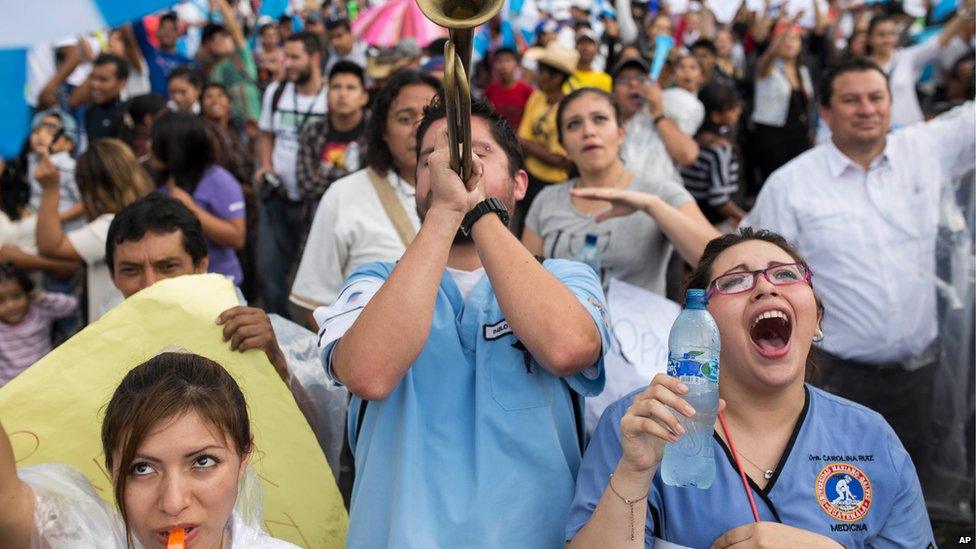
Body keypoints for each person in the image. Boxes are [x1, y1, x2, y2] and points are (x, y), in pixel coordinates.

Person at [317, 98, 609, 546]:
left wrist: (476, 209)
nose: (457, 163)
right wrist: (445, 211)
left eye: (479, 152)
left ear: (519, 183)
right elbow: (368, 373)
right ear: (418, 184)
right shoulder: (372, 283)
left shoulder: (566, 277)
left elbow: (568, 347)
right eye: (432, 159)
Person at [565, 228, 936, 548]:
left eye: (786, 275)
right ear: (701, 327)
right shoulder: (642, 425)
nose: (764, 287)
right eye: (734, 282)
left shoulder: (870, 438)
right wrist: (634, 473)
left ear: (817, 320)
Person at [742, 59, 975, 481]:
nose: (866, 109)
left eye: (876, 98)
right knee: (843, 490)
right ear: (826, 113)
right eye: (851, 100)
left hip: (919, 375)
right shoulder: (791, 185)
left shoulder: (924, 150)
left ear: (891, 103)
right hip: (835, 378)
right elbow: (752, 270)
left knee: (911, 481)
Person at [0, 352, 299, 548]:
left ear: (243, 456)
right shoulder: (92, 540)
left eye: (203, 461)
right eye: (141, 468)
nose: (172, 503)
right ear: (112, 470)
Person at [522, 88, 718, 295]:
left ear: (621, 133)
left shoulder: (659, 192)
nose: (588, 131)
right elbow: (525, 280)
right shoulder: (546, 200)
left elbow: (723, 261)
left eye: (599, 119)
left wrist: (652, 207)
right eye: (574, 124)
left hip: (635, 326)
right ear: (564, 146)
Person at [291, 71, 440, 326]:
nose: (419, 130)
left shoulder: (474, 196)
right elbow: (316, 305)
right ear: (383, 130)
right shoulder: (343, 195)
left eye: (432, 117)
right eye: (405, 119)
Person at [35, 138, 153, 322]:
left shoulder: (112, 225)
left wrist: (50, 190)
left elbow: (49, 246)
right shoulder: (145, 214)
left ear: (92, 189)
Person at [256, 30, 328, 317]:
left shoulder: (330, 95)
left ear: (315, 58)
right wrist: (266, 166)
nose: (288, 64)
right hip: (276, 197)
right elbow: (266, 134)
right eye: (286, 57)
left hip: (315, 202)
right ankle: (276, 326)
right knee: (269, 267)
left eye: (295, 57)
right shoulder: (276, 93)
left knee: (312, 272)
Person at [150, 112, 246, 286]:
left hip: (218, 283)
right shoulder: (164, 178)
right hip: (176, 283)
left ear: (174, 148)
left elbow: (237, 237)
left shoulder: (219, 180)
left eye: (155, 142)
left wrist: (191, 208)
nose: (149, 147)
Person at [865, 3, 974, 127]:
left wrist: (966, 12)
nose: (887, 39)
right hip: (879, 133)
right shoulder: (861, 68)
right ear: (869, 38)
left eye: (891, 34)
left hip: (911, 131)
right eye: (881, 35)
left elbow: (939, 41)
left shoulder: (906, 57)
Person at [515, 42, 578, 233]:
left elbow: (561, 160)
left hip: (554, 184)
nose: (537, 75)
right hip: (530, 177)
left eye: (542, 71)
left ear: (558, 77)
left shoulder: (569, 109)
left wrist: (529, 146)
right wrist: (539, 149)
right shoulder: (537, 98)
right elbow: (522, 137)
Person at [612, 56, 701, 187]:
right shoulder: (605, 127)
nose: (633, 84)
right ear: (613, 91)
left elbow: (688, 155)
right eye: (624, 80)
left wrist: (657, 114)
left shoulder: (660, 117)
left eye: (641, 78)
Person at [296, 60, 370, 207]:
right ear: (327, 93)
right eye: (336, 87)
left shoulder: (377, 132)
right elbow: (307, 186)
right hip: (321, 216)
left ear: (364, 97)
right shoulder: (312, 132)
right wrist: (354, 176)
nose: (342, 94)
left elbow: (375, 184)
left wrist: (324, 174)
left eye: (351, 88)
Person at [750, 19, 814, 187]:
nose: (790, 43)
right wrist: (786, 23)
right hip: (772, 134)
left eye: (794, 38)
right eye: (785, 38)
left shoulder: (803, 71)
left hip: (798, 134)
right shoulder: (767, 66)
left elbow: (808, 104)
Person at [681, 83, 747, 229]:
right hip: (713, 223)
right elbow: (719, 200)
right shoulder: (719, 150)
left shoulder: (691, 139)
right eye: (732, 109)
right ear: (716, 116)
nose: (738, 112)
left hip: (691, 216)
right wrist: (747, 219)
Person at [0, 263, 77, 387]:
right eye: (0, 301)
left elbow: (70, 305)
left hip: (45, 382)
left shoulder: (39, 311)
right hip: (8, 389)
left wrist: (41, 297)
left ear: (28, 294)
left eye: (16, 296)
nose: (10, 306)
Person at [205, 0, 261, 126]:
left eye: (223, 36)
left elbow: (234, 28)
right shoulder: (214, 69)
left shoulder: (242, 57)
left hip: (254, 125)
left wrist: (222, 3)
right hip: (229, 129)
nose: (218, 41)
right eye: (213, 39)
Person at [133, 11, 196, 97]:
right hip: (154, 104)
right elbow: (137, 25)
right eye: (163, 28)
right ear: (157, 32)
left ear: (178, 34)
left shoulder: (188, 62)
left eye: (171, 29)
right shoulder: (150, 53)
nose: (167, 32)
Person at [75, 53, 129, 141]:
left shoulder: (127, 114)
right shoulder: (88, 110)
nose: (94, 84)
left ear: (122, 82)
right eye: (92, 77)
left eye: (103, 80)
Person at [483, 47, 535, 130]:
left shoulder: (528, 91)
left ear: (517, 64)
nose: (503, 66)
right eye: (499, 61)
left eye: (508, 61)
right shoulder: (489, 91)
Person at [106, 26, 152, 100]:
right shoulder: (110, 66)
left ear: (126, 43)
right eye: (110, 39)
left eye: (117, 40)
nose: (111, 43)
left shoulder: (136, 63)